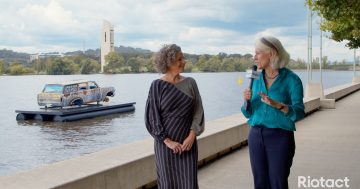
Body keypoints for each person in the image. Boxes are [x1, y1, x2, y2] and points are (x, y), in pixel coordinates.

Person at [241, 36, 305, 189]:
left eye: (258, 53)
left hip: (280, 137)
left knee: (278, 183)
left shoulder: (292, 79)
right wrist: (246, 101)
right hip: (255, 135)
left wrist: (279, 105)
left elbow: (300, 112)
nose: (254, 58)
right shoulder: (255, 76)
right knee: (260, 183)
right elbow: (247, 113)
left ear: (271, 54)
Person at [145, 44, 205, 189]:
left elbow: (198, 112)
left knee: (189, 184)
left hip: (187, 144)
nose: (183, 61)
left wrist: (192, 136)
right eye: (180, 59)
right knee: (168, 184)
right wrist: (167, 141)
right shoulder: (157, 86)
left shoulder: (191, 82)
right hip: (165, 146)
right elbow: (152, 118)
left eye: (183, 58)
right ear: (169, 62)